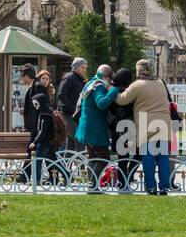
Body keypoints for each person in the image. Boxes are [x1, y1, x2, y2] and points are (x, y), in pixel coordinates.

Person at [115, 59, 172, 196]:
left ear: (138, 70)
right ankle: (164, 187)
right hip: (164, 123)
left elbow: (122, 99)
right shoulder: (160, 83)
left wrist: (111, 90)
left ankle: (151, 187)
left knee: (148, 157)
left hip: (147, 124)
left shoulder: (138, 85)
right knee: (163, 157)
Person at [75, 64, 119, 192]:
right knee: (103, 158)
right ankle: (93, 186)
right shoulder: (98, 86)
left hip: (86, 127)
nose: (110, 81)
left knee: (93, 157)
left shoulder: (90, 84)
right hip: (95, 129)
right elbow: (101, 103)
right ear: (106, 77)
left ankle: (92, 185)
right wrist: (113, 91)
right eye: (110, 78)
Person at [110, 67, 139, 193]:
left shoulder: (112, 90)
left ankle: (123, 181)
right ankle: (127, 177)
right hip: (126, 126)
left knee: (123, 156)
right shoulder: (121, 91)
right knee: (137, 153)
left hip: (117, 127)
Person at [28, 84, 56, 188]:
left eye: (36, 104)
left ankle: (36, 180)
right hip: (49, 141)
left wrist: (34, 142)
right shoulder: (48, 110)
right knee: (55, 161)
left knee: (37, 160)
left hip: (44, 142)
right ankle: (66, 174)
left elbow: (43, 131)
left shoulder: (44, 113)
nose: (35, 106)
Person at [56, 58, 87, 144]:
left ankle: (68, 157)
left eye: (85, 68)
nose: (84, 70)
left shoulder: (80, 78)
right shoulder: (69, 78)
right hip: (67, 114)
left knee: (71, 143)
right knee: (79, 140)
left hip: (74, 115)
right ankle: (79, 158)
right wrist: (72, 108)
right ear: (76, 67)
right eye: (83, 67)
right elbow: (61, 95)